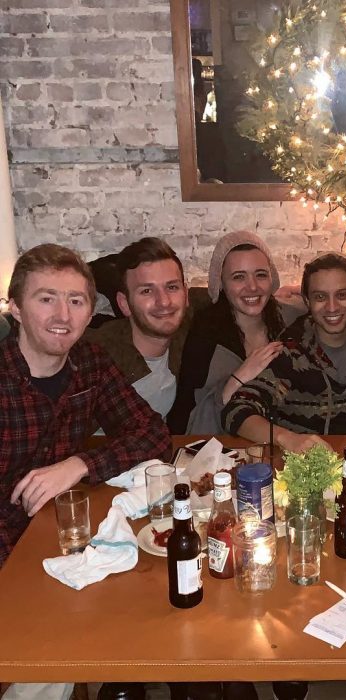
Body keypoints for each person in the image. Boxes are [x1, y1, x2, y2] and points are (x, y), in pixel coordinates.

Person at [0, 244, 171, 700]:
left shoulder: (90, 364)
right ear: (14, 308)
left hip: (62, 540)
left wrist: (78, 465)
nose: (63, 314)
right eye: (46, 298)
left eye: (76, 301)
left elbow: (151, 432)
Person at [222, 251, 346, 453]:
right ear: (307, 302)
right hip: (306, 469)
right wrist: (288, 439)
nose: (332, 307)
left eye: (342, 295)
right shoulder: (291, 351)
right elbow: (237, 411)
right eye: (320, 297)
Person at [168, 231, 300, 435]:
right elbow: (190, 417)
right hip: (224, 449)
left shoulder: (289, 319)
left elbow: (339, 299)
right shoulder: (205, 335)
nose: (253, 286)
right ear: (221, 283)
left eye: (261, 275)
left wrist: (305, 288)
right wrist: (240, 376)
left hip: (287, 443)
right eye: (239, 277)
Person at [86, 237, 189, 420]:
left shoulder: (190, 335)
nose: (164, 301)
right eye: (147, 291)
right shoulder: (97, 356)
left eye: (172, 287)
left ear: (186, 295)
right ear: (124, 304)